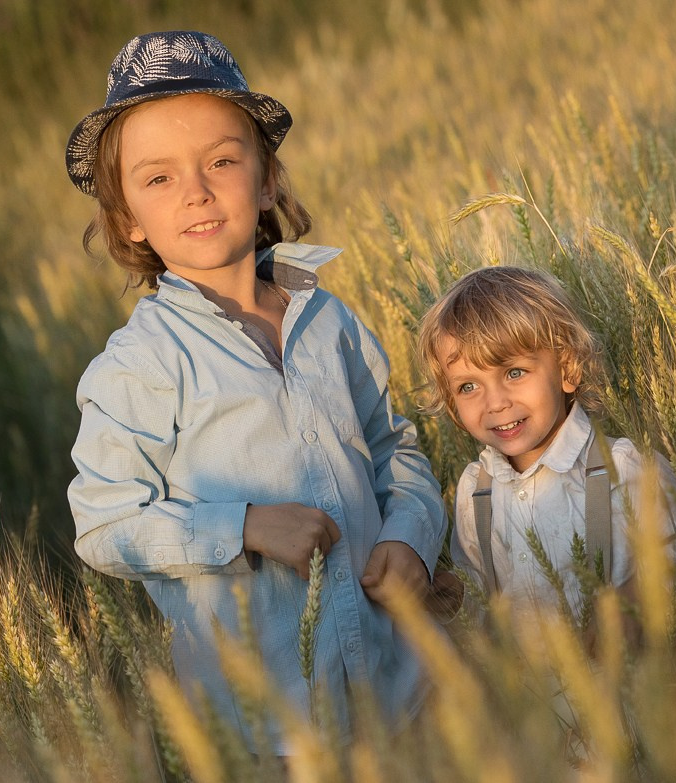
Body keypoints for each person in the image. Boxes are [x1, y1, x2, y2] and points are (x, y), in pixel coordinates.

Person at [64, 31, 447, 754]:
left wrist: (411, 537)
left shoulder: (326, 317)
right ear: (128, 221)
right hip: (270, 727)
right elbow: (104, 523)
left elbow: (397, 449)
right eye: (158, 179)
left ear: (267, 179)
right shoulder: (139, 365)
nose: (197, 191)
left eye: (221, 161)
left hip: (398, 693)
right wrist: (242, 525)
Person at [417, 266, 676, 635]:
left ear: (567, 368)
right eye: (469, 386)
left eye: (514, 373)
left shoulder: (623, 468)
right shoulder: (477, 493)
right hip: (533, 692)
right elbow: (482, 597)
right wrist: (454, 598)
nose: (496, 402)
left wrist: (638, 603)